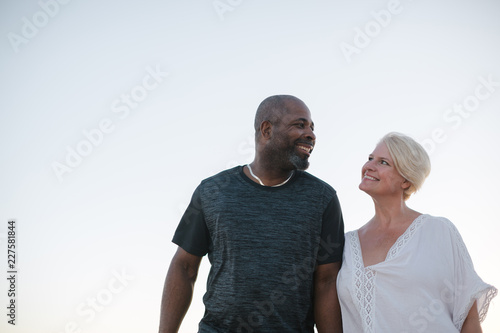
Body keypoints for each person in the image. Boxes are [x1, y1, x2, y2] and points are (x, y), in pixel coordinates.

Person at [158, 95, 345, 333]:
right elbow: (184, 267)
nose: (311, 134)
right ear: (266, 129)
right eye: (300, 124)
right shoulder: (212, 191)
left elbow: (326, 282)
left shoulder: (323, 198)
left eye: (312, 127)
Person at [337, 132, 497, 332]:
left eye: (383, 162)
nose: (369, 166)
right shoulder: (345, 245)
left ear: (406, 181)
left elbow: (469, 319)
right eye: (370, 158)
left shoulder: (439, 232)